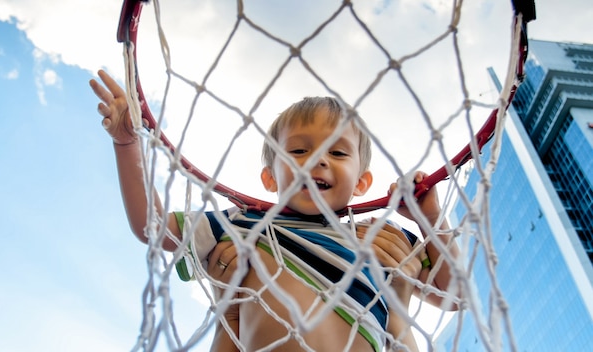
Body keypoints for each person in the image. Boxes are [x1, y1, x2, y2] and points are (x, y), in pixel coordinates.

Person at [90, 69, 460, 352]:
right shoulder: (243, 225)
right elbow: (153, 228)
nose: (318, 160)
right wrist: (127, 145)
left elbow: (452, 295)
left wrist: (430, 219)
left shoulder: (379, 238)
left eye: (337, 152)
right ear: (270, 178)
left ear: (362, 182)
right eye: (299, 151)